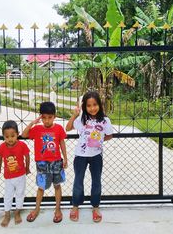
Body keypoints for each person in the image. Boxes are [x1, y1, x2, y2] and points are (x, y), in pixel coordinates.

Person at [66, 91, 113, 223]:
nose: (92, 108)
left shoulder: (105, 121)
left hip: (96, 156)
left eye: (95, 104)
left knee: (96, 181)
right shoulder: (82, 119)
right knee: (78, 181)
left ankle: (96, 207)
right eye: (89, 105)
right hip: (80, 156)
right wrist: (75, 115)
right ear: (84, 107)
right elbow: (68, 128)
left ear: (99, 104)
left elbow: (109, 135)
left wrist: (99, 140)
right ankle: (75, 206)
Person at [21, 101, 68, 223]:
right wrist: (32, 123)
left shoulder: (58, 128)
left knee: (57, 185)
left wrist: (66, 158)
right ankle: (36, 209)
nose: (47, 121)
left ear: (54, 116)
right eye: (44, 118)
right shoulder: (37, 129)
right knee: (41, 187)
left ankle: (57, 209)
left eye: (50, 117)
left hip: (56, 162)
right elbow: (24, 134)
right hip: (42, 163)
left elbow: (62, 143)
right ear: (41, 117)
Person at [0, 120, 30, 227]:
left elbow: (27, 157)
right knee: (8, 196)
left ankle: (17, 212)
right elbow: (0, 158)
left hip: (20, 176)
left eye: (12, 136)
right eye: (7, 136)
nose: (10, 139)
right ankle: (7, 214)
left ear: (17, 134)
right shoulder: (2, 146)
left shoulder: (22, 145)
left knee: (20, 194)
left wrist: (27, 168)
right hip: (8, 177)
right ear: (3, 136)